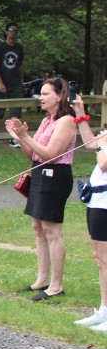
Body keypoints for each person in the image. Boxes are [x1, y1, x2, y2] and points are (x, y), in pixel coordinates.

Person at [5, 77, 77, 301]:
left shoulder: (66, 121)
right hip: (39, 173)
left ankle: (56, 286)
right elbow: (33, 154)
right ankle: (42, 280)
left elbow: (51, 155)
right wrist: (20, 138)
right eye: (41, 94)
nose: (41, 97)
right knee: (38, 227)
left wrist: (26, 137)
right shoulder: (47, 121)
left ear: (60, 96)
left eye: (46, 94)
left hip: (55, 176)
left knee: (52, 230)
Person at [71, 96, 107, 329]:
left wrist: (103, 144)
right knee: (100, 258)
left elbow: (103, 163)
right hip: (97, 202)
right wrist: (80, 113)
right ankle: (104, 310)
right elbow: (91, 144)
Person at [0, 22, 25, 146]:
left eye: (15, 30)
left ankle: (14, 138)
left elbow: (20, 65)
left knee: (15, 110)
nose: (13, 32)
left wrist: (21, 79)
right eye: (11, 30)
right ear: (6, 32)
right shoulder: (0, 47)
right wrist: (0, 83)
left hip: (15, 83)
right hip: (2, 82)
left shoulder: (19, 48)